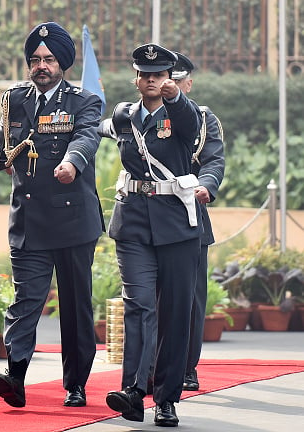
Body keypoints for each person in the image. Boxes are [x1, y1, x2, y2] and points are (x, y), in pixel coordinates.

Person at [0, 22, 105, 408]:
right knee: (25, 300)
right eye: (35, 60)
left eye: (49, 60)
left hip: (72, 220)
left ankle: (76, 384)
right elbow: (5, 148)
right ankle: (15, 375)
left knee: (75, 307)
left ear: (63, 64)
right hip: (29, 219)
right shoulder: (13, 99)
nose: (41, 66)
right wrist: (4, 161)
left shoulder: (83, 101)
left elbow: (86, 136)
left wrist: (72, 162)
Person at [98, 43, 201, 427]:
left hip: (176, 225)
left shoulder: (183, 114)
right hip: (134, 223)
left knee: (174, 312)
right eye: (145, 75)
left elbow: (191, 130)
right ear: (136, 78)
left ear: (169, 79)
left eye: (158, 75)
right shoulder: (125, 115)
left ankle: (167, 399)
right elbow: (97, 129)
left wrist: (176, 100)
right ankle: (133, 392)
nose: (151, 80)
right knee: (139, 305)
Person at [171, 52, 225, 392]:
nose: (169, 86)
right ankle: (149, 366)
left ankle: (187, 366)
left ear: (187, 84)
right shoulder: (139, 117)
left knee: (190, 299)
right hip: (148, 215)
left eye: (176, 81)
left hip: (189, 214)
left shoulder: (204, 120)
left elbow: (214, 159)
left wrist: (206, 184)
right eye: (165, 79)